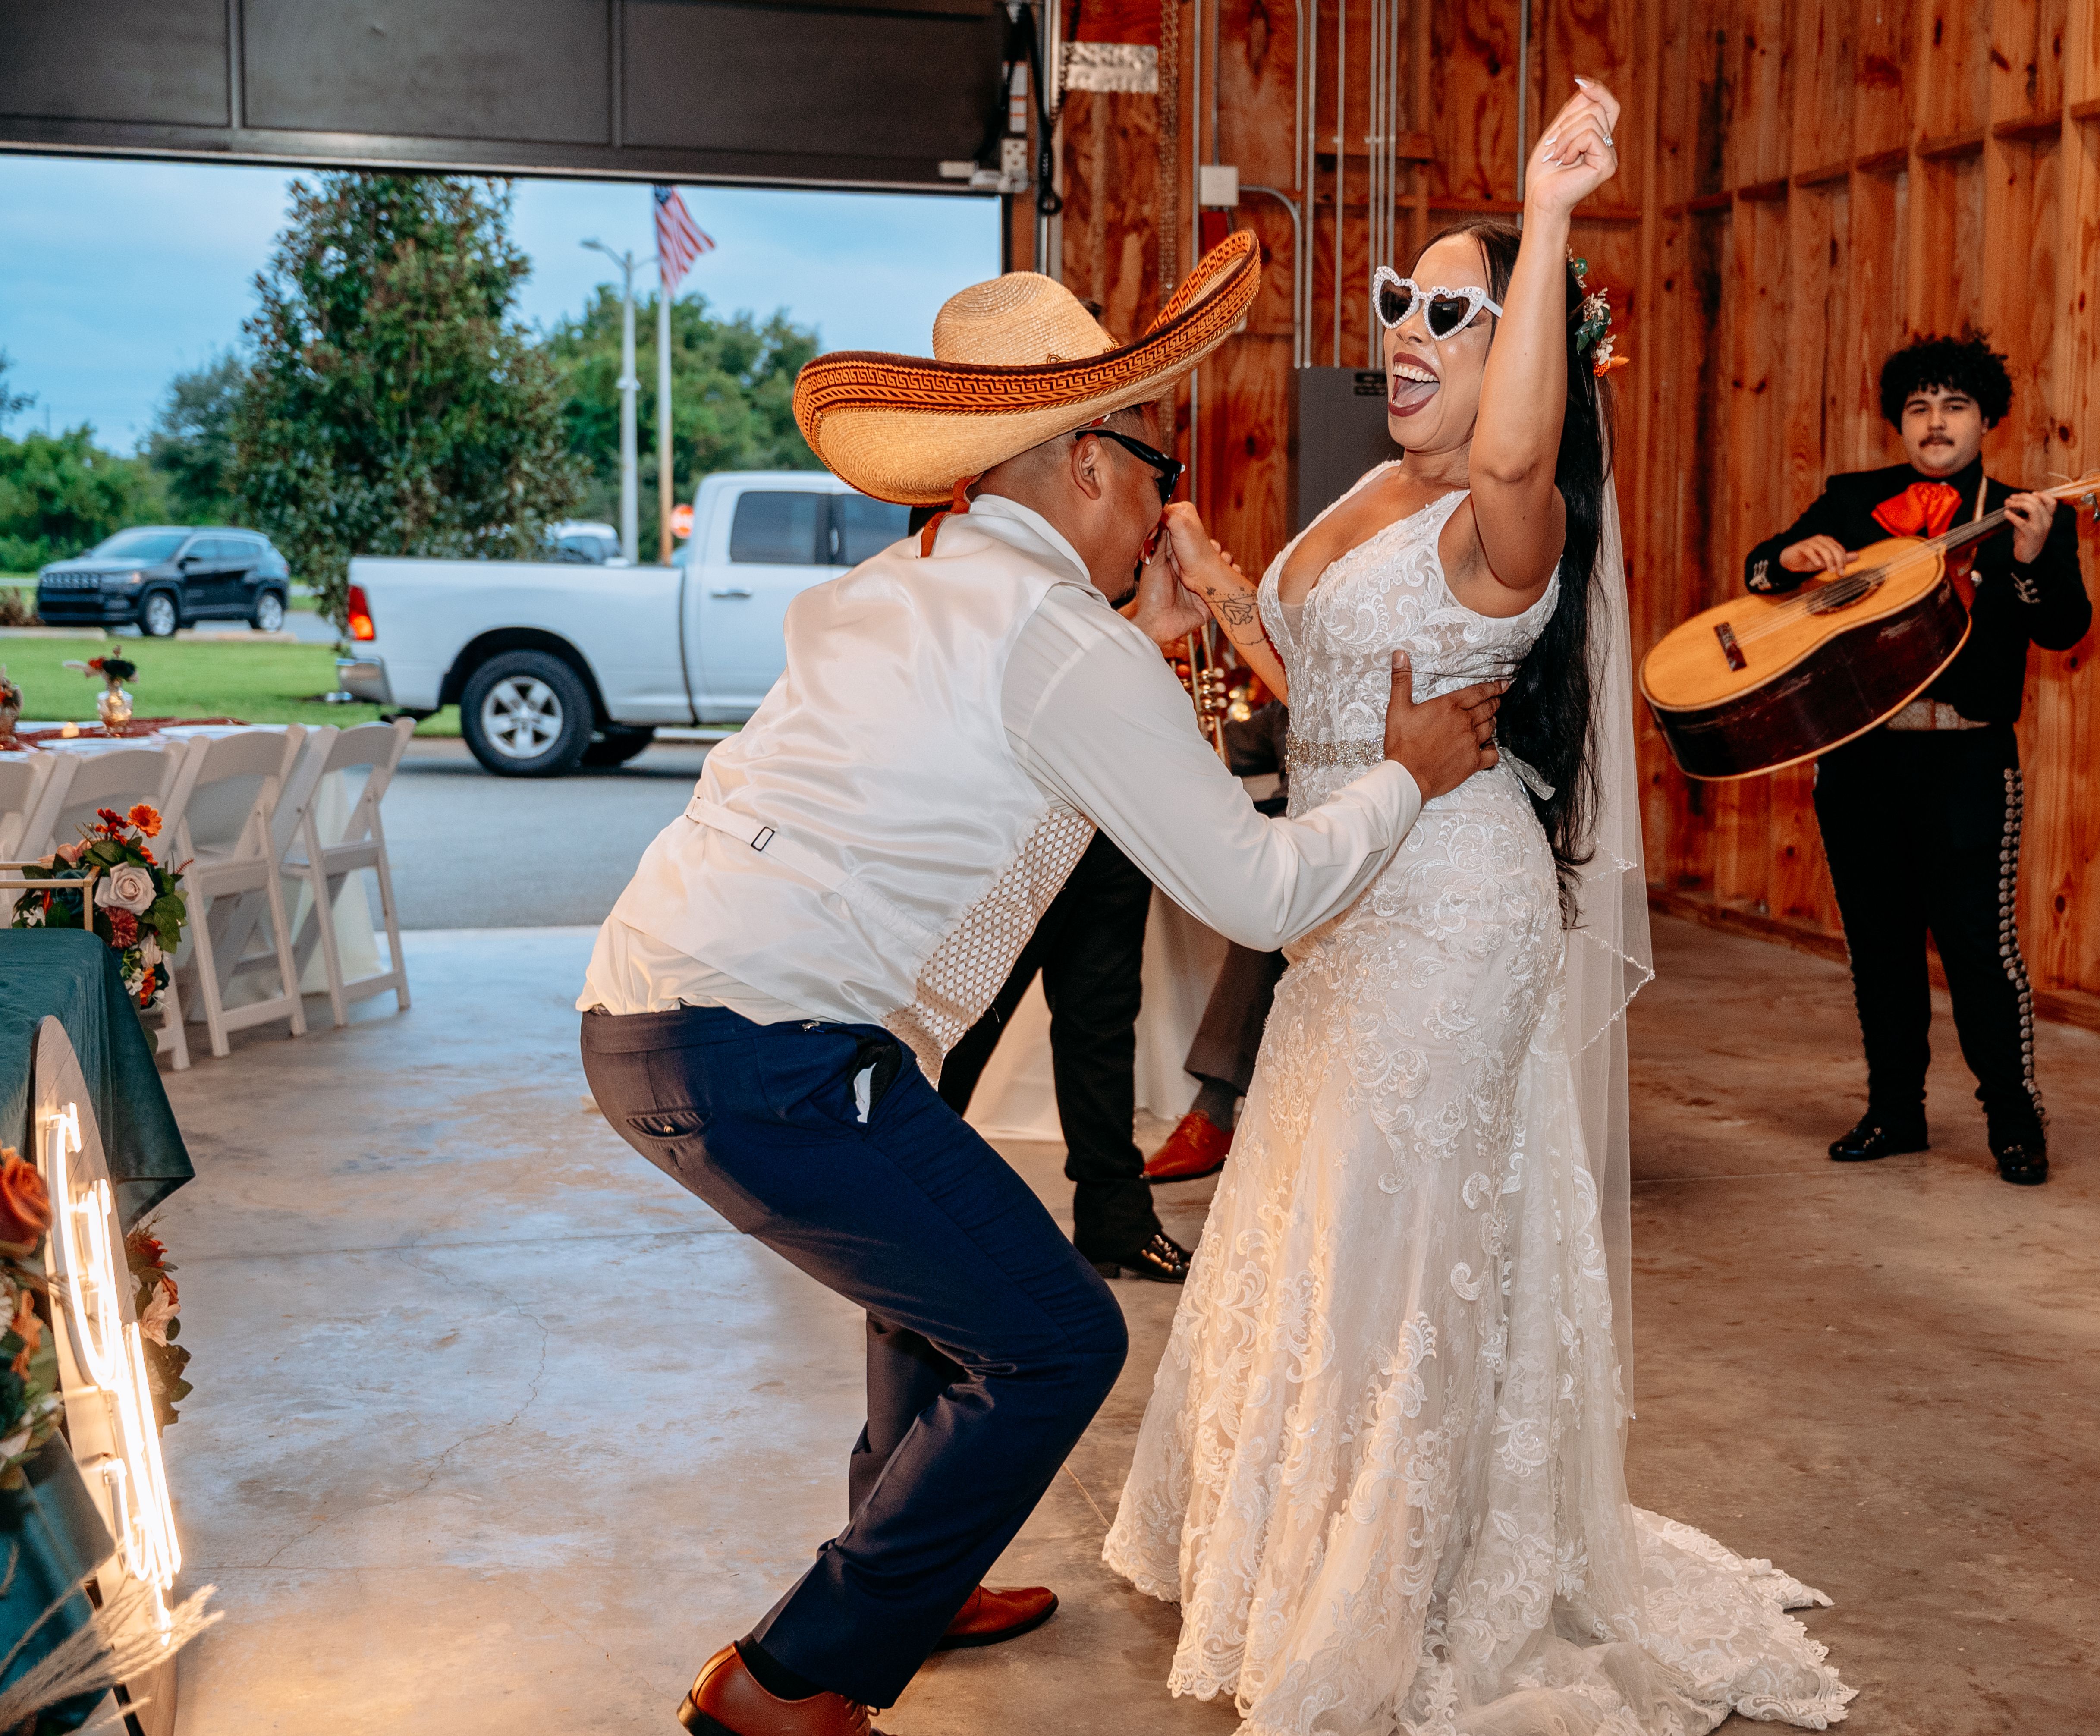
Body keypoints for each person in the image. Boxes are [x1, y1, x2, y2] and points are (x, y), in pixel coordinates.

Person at [575, 234, 1509, 1736]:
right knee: (1058, 1339)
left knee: (928, 1275)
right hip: (769, 1053)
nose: (1163, 509)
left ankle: (913, 1574)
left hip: (642, 1021)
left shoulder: (908, 578)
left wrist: (1142, 644)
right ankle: (789, 1676)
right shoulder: (1061, 642)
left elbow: (993, 725)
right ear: (1086, 465)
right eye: (1154, 468)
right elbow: (1264, 893)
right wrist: (1405, 774)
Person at [1104, 81, 1855, 1734]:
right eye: (1400, 300)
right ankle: (1289, 1535)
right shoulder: (1372, 488)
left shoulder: (1510, 513)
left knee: (1401, 1244)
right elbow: (1326, 685)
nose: (1406, 330)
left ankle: (1387, 1584)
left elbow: (1518, 442)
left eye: (1454, 312)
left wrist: (1550, 213)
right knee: (1315, 1218)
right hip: (1339, 905)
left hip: (1448, 915)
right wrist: (1223, 598)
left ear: (1521, 351)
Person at [1742, 332, 2091, 1186]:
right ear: (1899, 421)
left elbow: (2065, 628)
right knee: (1879, 946)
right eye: (1919, 407)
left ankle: (2014, 1122)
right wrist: (1788, 559)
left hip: (1967, 757)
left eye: (1955, 406)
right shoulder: (1851, 499)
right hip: (1859, 758)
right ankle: (1894, 1111)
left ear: (1986, 420)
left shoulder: (2028, 513)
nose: (1936, 422)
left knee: (1978, 948)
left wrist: (2031, 562)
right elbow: (1757, 573)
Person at [937, 831, 1193, 1282]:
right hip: (1026, 819)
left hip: (1118, 817)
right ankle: (901, 1214)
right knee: (969, 1016)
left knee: (1103, 1016)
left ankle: (1114, 1216)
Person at [1146, 692, 1289, 1184]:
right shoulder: (1288, 704)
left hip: (1383, 848)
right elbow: (1228, 746)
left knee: (1271, 908)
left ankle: (1214, 1109)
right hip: (1304, 853)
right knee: (1263, 901)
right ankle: (1215, 1109)